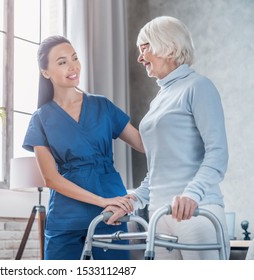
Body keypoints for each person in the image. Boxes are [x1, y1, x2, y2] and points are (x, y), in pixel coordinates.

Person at [106, 16, 230, 260]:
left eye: (145, 48)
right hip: (159, 216)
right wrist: (134, 199)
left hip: (197, 212)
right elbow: (159, 167)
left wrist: (191, 195)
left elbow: (218, 153)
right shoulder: (159, 100)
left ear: (168, 45)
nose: (140, 58)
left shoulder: (198, 86)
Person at [22, 35, 144, 260]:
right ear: (45, 72)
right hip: (66, 217)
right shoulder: (40, 119)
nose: (73, 66)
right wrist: (101, 200)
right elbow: (51, 179)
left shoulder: (103, 106)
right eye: (62, 62)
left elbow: (143, 144)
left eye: (75, 58)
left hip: (111, 214)